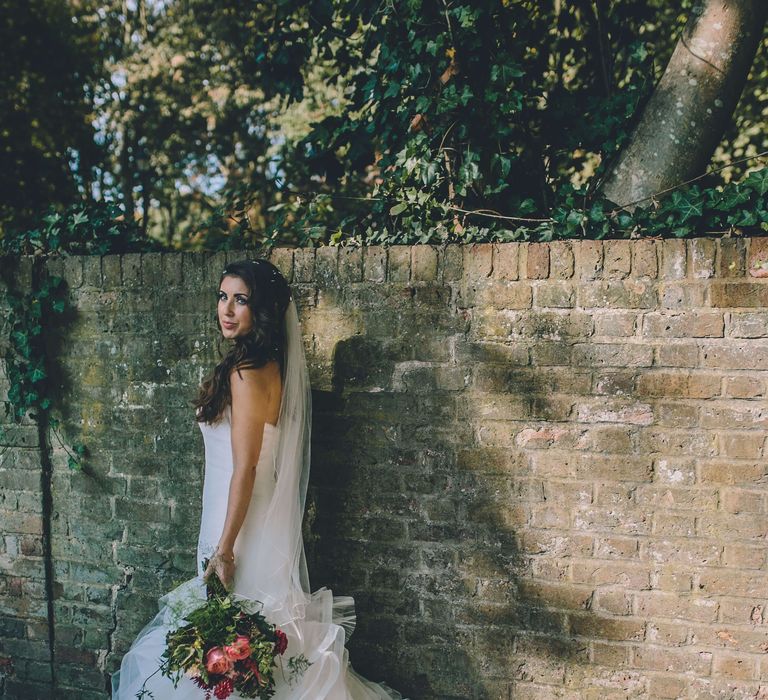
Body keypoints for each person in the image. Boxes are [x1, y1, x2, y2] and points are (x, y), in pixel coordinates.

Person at [111, 258, 403, 699]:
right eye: (223, 296)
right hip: (244, 516)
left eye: (241, 300)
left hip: (241, 527)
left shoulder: (246, 374)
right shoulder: (267, 366)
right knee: (253, 646)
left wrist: (225, 548)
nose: (227, 309)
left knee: (236, 646)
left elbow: (245, 467)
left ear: (260, 309)